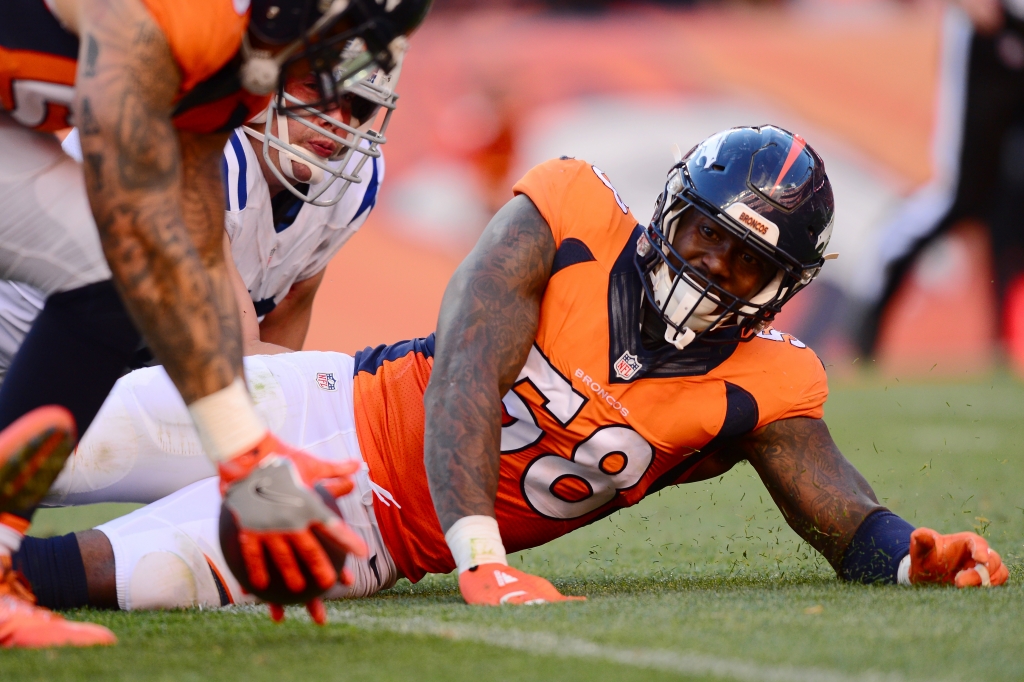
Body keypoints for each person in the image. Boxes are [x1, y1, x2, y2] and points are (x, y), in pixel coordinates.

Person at [14, 126, 1008, 615]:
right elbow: (469, 364)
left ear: (782, 285)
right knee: (42, 440)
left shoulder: (765, 384)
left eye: (747, 261)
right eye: (706, 236)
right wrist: (482, 552)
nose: (713, 266)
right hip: (325, 405)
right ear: (672, 213)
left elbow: (834, 508)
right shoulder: (571, 208)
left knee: (96, 571)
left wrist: (907, 551)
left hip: (369, 533)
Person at [0, 0, 429, 647]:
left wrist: (250, 458)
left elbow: (193, 257)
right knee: (130, 261)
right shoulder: (188, 22)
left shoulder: (241, 75)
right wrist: (247, 452)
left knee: (121, 277)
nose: (346, 68)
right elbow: (135, 199)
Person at [0, 71, 389, 381]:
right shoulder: (192, 137)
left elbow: (292, 304)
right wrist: (356, 390)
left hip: (120, 372)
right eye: (317, 89)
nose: (338, 121)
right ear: (262, 79)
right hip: (19, 349)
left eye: (359, 105)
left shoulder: (351, 182)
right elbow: (239, 354)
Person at [854, 0, 1024, 356]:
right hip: (987, 52)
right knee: (953, 198)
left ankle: (1003, 343)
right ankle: (866, 320)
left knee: (1010, 217)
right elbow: (983, 14)